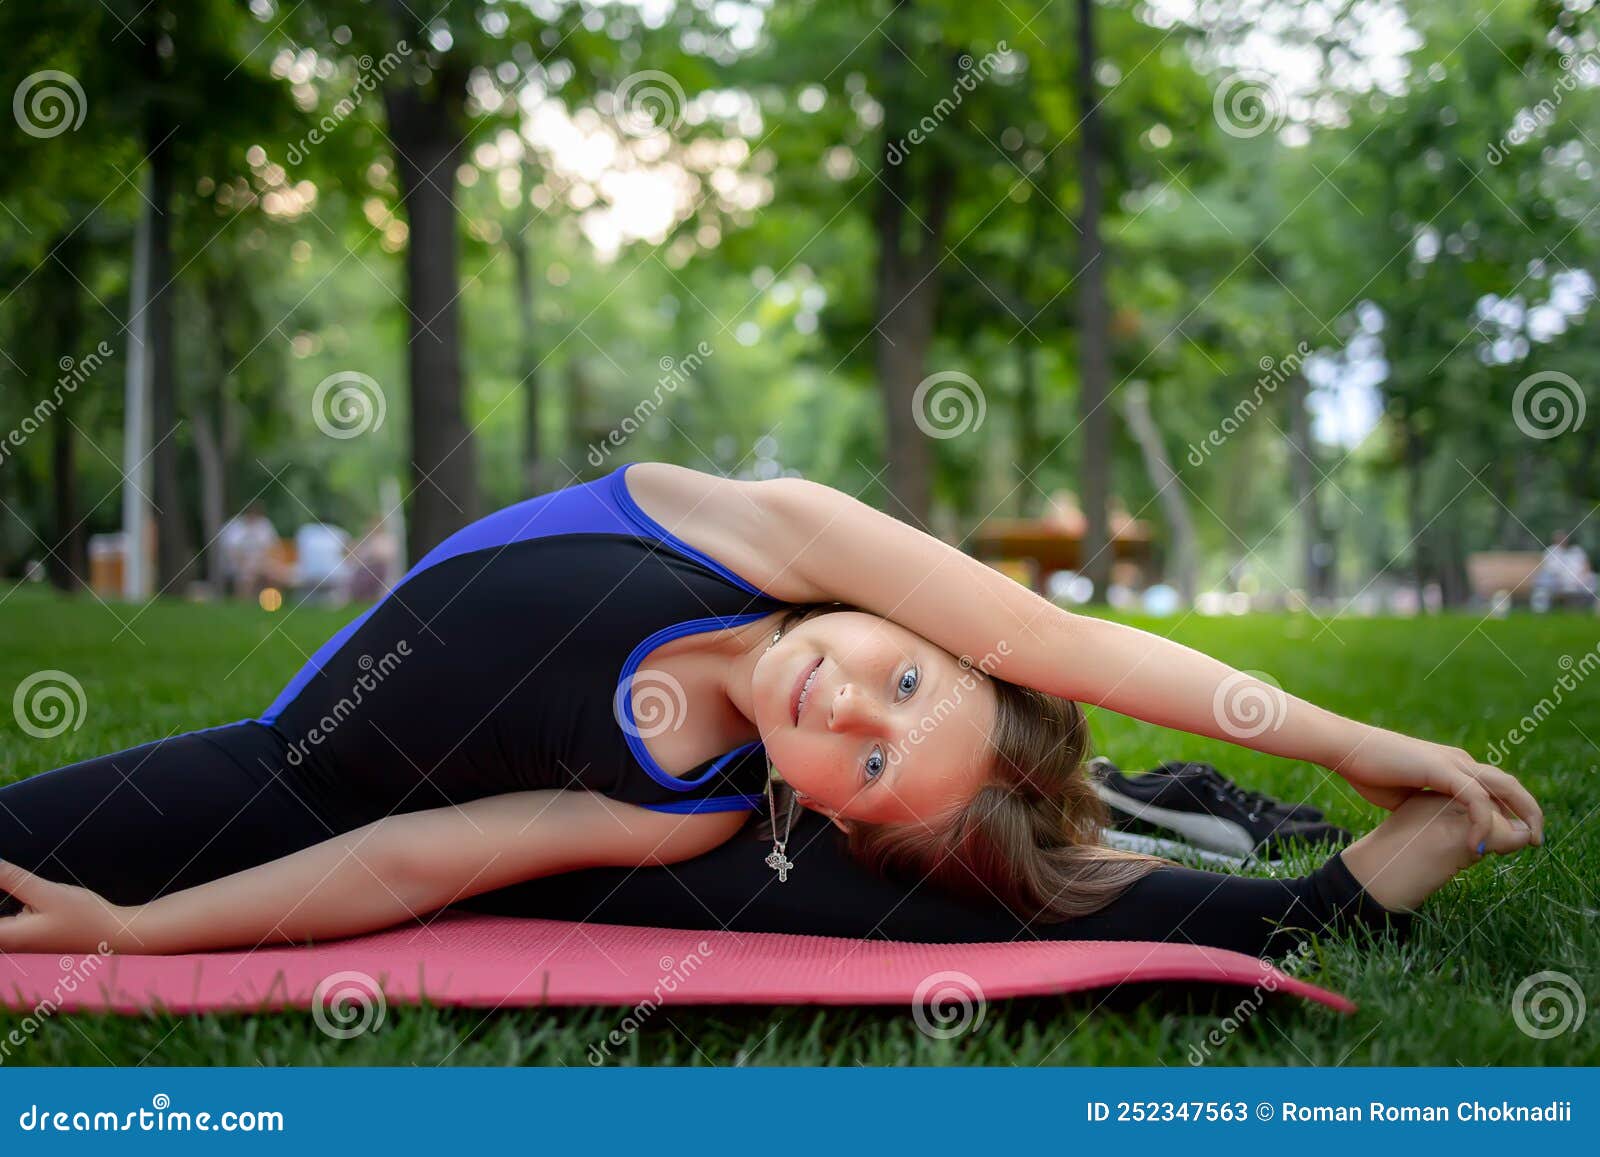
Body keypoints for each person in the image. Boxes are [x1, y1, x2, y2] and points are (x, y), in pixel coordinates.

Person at [0, 463, 1542, 957]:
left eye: (865, 753)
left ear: (824, 791)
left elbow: (409, 865)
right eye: (911, 673)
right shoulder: (755, 535)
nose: (850, 694)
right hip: (281, 765)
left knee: (929, 901)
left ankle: (1312, 905)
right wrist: (1359, 739)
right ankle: (1161, 794)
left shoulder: (691, 802)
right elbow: (1044, 636)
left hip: (331, 820)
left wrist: (129, 938)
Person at [218, 502, 281, 599]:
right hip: (238, 565)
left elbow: (272, 548)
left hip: (261, 563)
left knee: (274, 574)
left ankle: (271, 602)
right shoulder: (235, 526)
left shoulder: (264, 524)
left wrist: (262, 562)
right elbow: (232, 552)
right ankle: (245, 602)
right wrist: (248, 564)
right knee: (247, 575)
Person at [1532, 529, 1596, 610]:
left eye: (1564, 537)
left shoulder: (1576, 550)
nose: (1562, 540)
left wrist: (1582, 577)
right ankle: (1541, 609)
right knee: (1543, 584)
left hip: (1578, 581)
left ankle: (1586, 607)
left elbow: (1587, 566)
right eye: (1559, 537)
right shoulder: (1551, 551)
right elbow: (1548, 569)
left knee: (1592, 579)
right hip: (1557, 582)